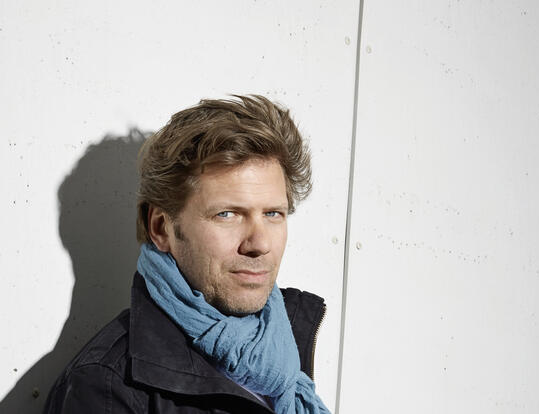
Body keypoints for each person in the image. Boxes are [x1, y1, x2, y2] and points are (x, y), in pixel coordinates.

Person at [44, 95, 330, 413]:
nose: (259, 243)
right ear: (161, 228)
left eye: (273, 214)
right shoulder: (107, 388)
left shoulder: (283, 346)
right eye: (227, 214)